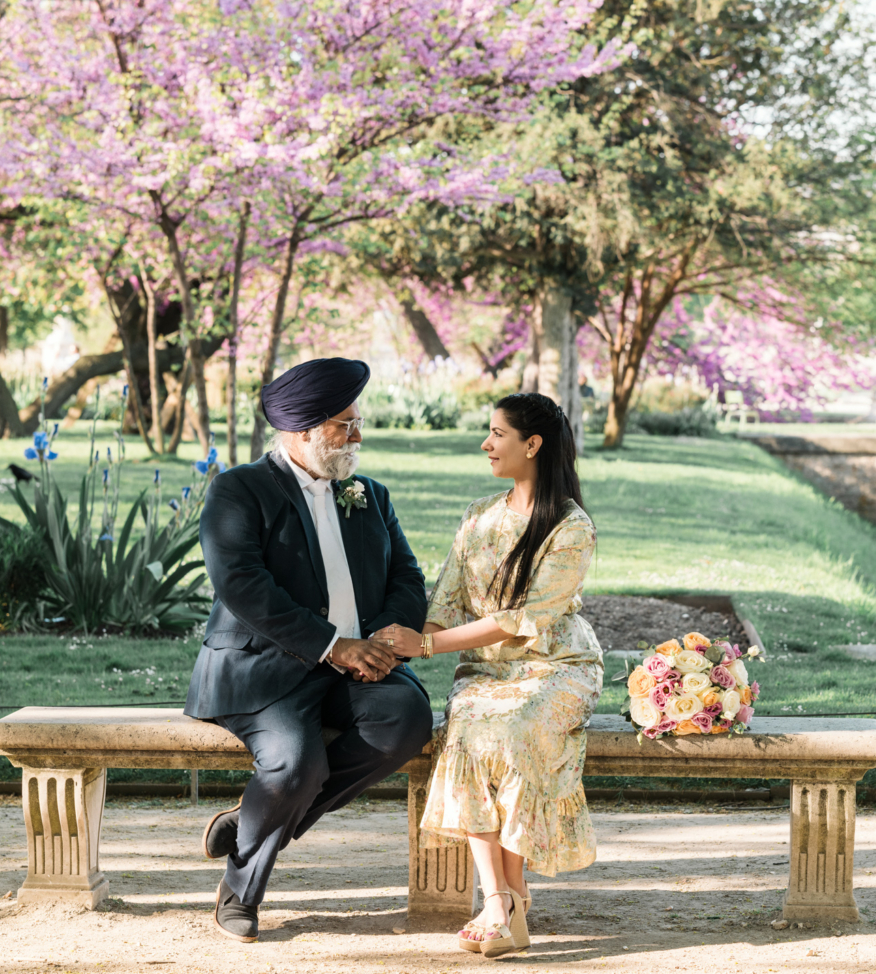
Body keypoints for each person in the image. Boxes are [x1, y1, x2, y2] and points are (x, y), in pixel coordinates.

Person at [183, 357, 432, 943]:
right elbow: (242, 585)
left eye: (357, 421)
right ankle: (240, 893)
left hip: (358, 669)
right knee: (296, 763)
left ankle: (250, 821)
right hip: (264, 669)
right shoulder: (238, 490)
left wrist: (383, 647)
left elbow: (407, 577)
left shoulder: (370, 495)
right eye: (344, 425)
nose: (357, 435)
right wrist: (333, 646)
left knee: (407, 720)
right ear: (301, 431)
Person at [373, 392, 601, 959]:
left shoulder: (572, 528)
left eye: (497, 434)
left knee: (518, 730)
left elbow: (522, 621)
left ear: (533, 444)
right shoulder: (479, 514)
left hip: (558, 667)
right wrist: (393, 649)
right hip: (485, 674)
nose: (486, 444)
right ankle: (499, 898)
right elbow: (446, 599)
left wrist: (425, 646)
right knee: (471, 726)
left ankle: (512, 897)